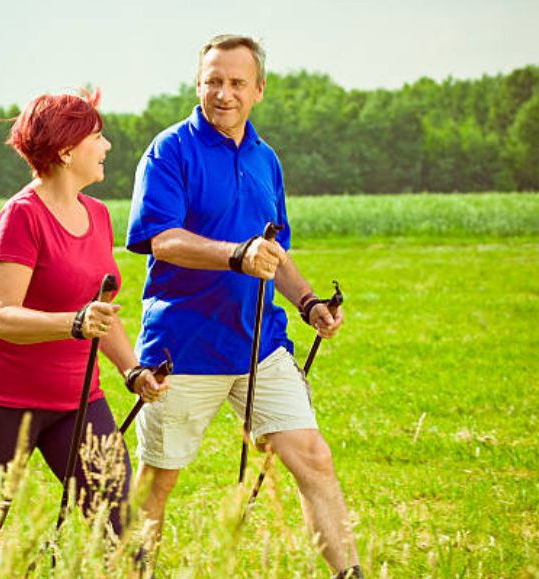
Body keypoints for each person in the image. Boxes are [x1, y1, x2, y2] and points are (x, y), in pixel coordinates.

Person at [126, 35, 363, 579]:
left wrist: (307, 303)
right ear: (197, 84)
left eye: (236, 82)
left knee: (314, 458)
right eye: (213, 80)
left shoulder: (265, 159)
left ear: (259, 89)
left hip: (260, 343)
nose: (223, 93)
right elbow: (161, 239)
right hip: (180, 349)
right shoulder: (169, 151)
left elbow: (273, 252)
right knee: (159, 478)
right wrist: (236, 254)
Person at [0, 88, 167, 577]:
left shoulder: (97, 215)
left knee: (122, 529)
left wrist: (132, 369)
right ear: (66, 150)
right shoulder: (21, 217)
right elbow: (3, 317)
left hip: (78, 401)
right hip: (3, 404)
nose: (108, 145)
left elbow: (103, 313)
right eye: (98, 136)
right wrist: (72, 324)